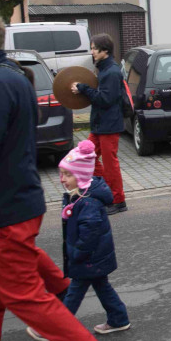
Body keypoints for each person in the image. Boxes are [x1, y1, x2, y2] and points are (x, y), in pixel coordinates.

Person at [0, 17, 116, 341]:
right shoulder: (13, 76)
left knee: (21, 293)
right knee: (15, 281)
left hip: (8, 206)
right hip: (18, 199)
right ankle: (66, 290)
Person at [37, 141, 132, 341]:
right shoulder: (79, 196)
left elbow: (89, 234)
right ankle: (119, 318)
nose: (62, 179)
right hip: (94, 258)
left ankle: (56, 329)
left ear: (81, 176)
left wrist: (77, 254)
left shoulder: (87, 202)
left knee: (74, 293)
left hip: (88, 258)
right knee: (101, 286)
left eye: (68, 174)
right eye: (61, 174)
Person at [70, 34, 127, 214]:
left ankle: (118, 201)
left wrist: (83, 88)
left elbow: (104, 99)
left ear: (105, 51)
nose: (92, 51)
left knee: (111, 166)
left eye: (94, 48)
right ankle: (106, 191)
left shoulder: (111, 71)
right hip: (99, 125)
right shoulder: (103, 69)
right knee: (86, 158)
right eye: (92, 48)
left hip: (109, 126)